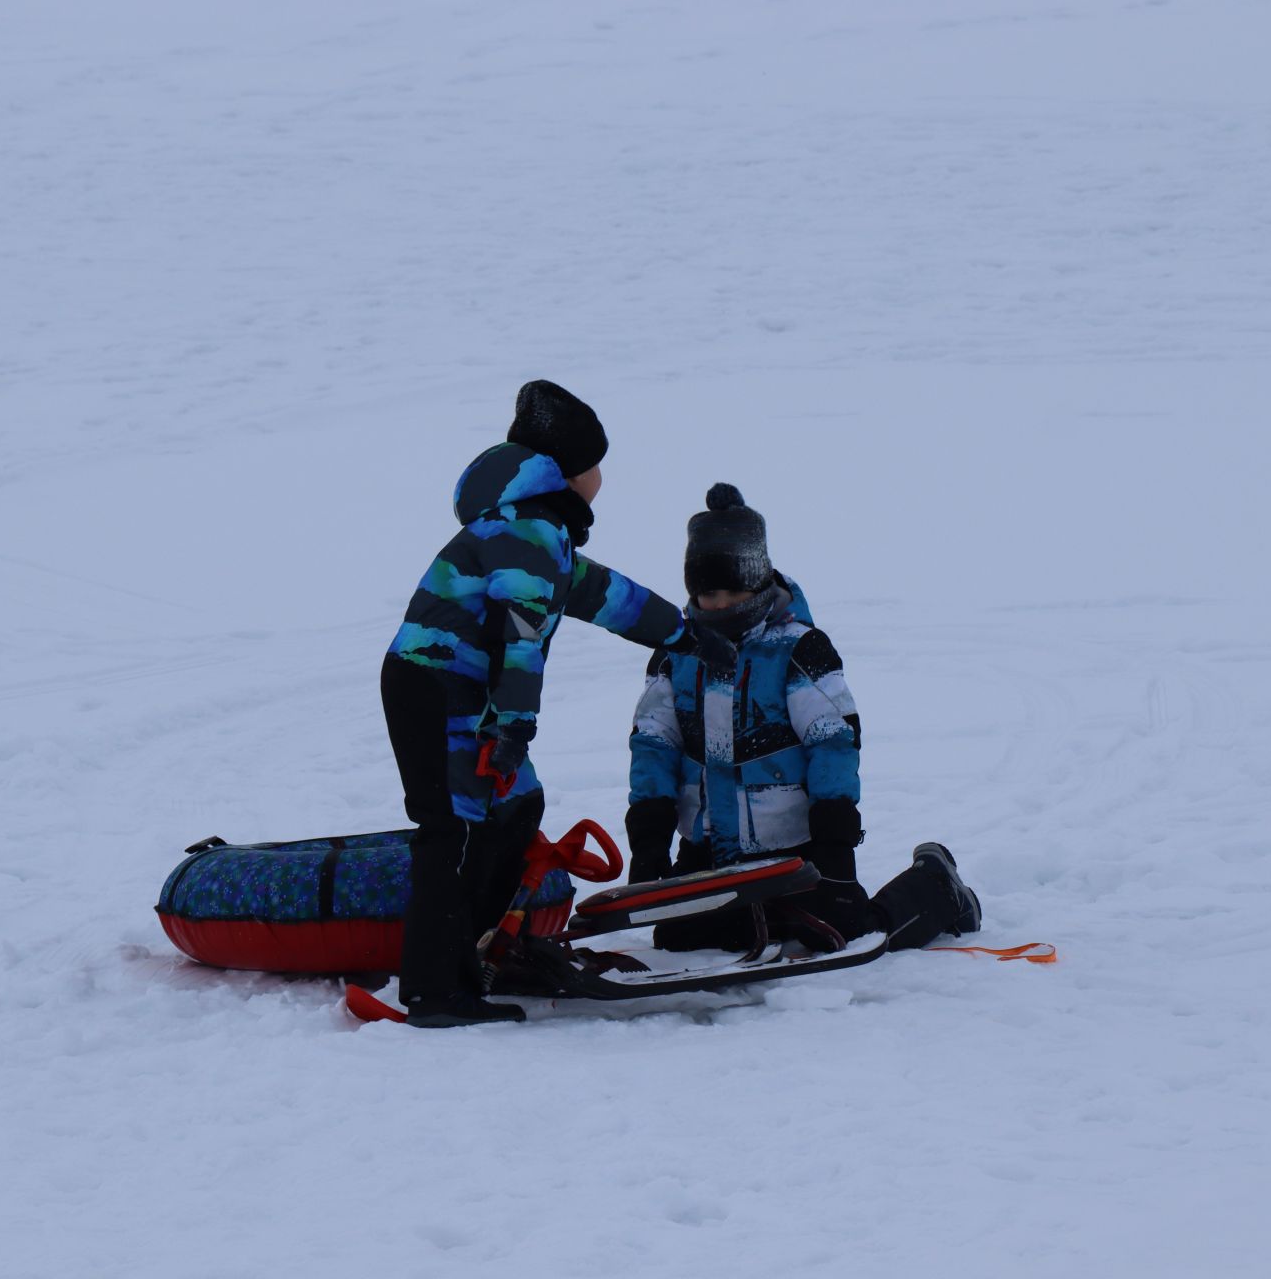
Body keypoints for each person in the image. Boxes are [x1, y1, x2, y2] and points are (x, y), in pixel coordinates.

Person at [383, 381, 723, 1027]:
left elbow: (606, 595)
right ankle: (434, 990)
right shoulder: (529, 535)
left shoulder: (540, 535)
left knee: (514, 807)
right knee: (451, 831)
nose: (602, 478)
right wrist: (515, 729)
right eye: (597, 466)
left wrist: (684, 634)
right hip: (433, 687)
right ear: (569, 471)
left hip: (457, 692)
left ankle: (472, 955)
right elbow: (522, 636)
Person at [624, 483, 983, 953]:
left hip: (797, 848)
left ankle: (937, 887)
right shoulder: (676, 656)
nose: (719, 604)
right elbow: (654, 743)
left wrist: (835, 837)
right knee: (681, 937)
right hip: (708, 851)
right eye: (708, 593)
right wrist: (650, 838)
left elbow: (832, 742)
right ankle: (761, 918)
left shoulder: (798, 649)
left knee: (842, 933)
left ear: (757, 581)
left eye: (732, 590)